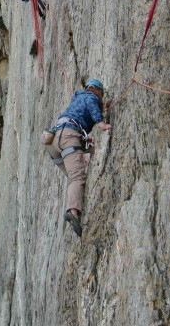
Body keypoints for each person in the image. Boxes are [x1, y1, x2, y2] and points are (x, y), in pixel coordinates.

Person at [48, 79, 112, 237]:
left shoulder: (77, 99)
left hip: (53, 142)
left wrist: (85, 149)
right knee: (77, 177)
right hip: (67, 137)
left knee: (72, 177)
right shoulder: (91, 97)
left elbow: (76, 129)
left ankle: (74, 204)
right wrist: (101, 123)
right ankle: (73, 212)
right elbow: (91, 105)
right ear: (97, 91)